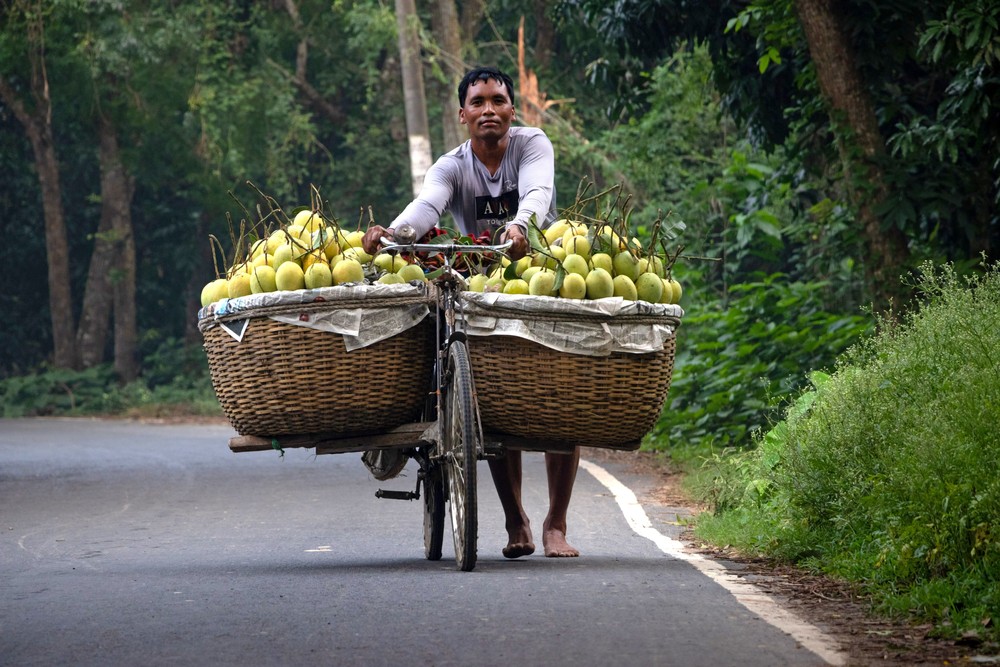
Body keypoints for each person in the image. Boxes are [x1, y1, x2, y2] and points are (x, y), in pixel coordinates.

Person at [363, 66, 581, 558]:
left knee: (559, 393)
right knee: (487, 398)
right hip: (476, 279)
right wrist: (396, 233)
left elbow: (538, 193)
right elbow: (428, 206)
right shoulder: (451, 165)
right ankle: (515, 521)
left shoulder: (532, 144)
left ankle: (556, 525)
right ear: (463, 115)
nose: (489, 110)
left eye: (498, 101)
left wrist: (523, 225)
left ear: (511, 110)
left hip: (538, 271)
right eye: (478, 102)